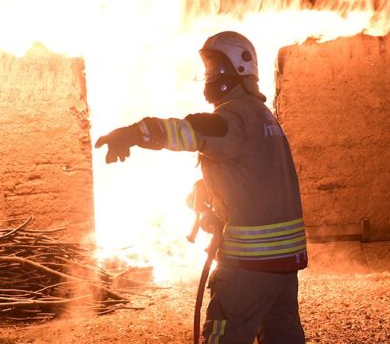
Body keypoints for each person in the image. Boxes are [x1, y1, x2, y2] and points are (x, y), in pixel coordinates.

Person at [95, 31, 307, 344]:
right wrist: (210, 189)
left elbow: (192, 130)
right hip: (284, 265)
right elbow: (254, 175)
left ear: (238, 70)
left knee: (224, 337)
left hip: (249, 264)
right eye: (208, 69)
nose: (209, 76)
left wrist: (135, 133)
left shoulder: (234, 116)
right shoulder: (264, 117)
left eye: (215, 68)